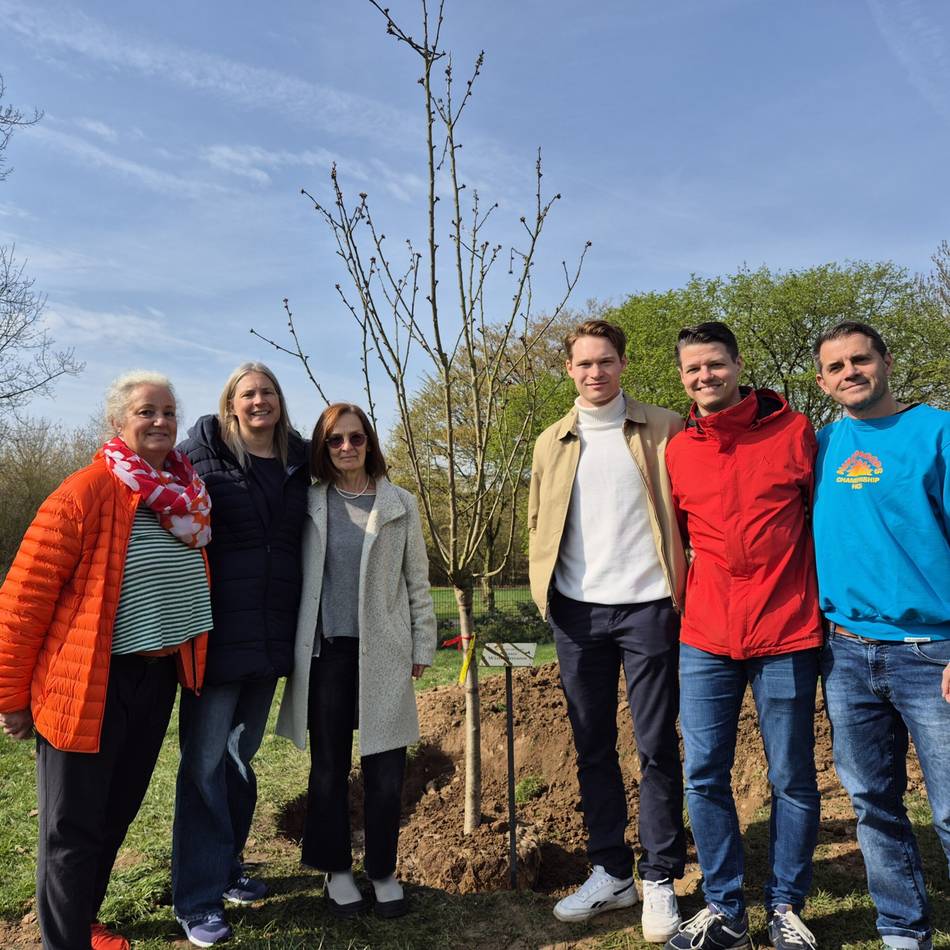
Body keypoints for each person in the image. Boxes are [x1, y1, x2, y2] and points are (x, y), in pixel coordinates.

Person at [0, 371, 211, 950]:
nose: (161, 421)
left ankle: (83, 921)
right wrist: (12, 700)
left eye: (169, 411)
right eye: (146, 411)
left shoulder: (185, 496)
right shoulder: (86, 491)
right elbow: (22, 602)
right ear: (118, 422)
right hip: (88, 680)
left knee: (116, 811)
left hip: (155, 677)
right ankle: (62, 941)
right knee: (72, 828)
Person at [662, 322, 822, 950]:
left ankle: (786, 905)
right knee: (703, 773)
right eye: (693, 369)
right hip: (705, 635)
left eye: (715, 365)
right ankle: (725, 908)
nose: (705, 377)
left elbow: (826, 519)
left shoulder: (796, 432)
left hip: (786, 629)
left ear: (737, 363)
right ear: (683, 377)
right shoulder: (679, 449)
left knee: (791, 776)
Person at [527, 319, 688, 942]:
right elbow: (541, 519)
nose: (595, 373)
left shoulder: (665, 428)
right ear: (569, 370)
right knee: (592, 745)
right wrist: (547, 594)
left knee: (654, 746)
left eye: (606, 361)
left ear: (623, 364)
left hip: (649, 608)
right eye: (584, 364)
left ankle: (659, 879)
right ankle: (610, 871)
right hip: (577, 614)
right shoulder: (551, 442)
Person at [812, 321, 950, 950]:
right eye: (836, 367)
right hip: (846, 651)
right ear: (823, 381)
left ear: (886, 362)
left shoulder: (937, 432)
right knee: (872, 803)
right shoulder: (823, 445)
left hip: (932, 650)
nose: (850, 373)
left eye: (859, 360)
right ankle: (901, 931)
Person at [276, 402, 437, 918]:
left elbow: (417, 580)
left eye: (356, 438)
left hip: (384, 653)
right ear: (322, 449)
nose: (346, 448)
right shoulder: (309, 502)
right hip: (326, 654)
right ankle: (336, 869)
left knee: (386, 769)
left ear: (370, 441)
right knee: (328, 768)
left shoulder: (399, 504)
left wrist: (422, 644)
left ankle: (384, 869)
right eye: (334, 441)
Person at [171, 362, 309, 947]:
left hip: (271, 639)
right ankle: (197, 898)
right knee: (203, 765)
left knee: (239, 760)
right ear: (231, 403)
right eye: (248, 393)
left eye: (268, 392)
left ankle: (227, 868)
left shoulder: (301, 461)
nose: (260, 401)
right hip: (215, 637)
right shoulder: (197, 458)